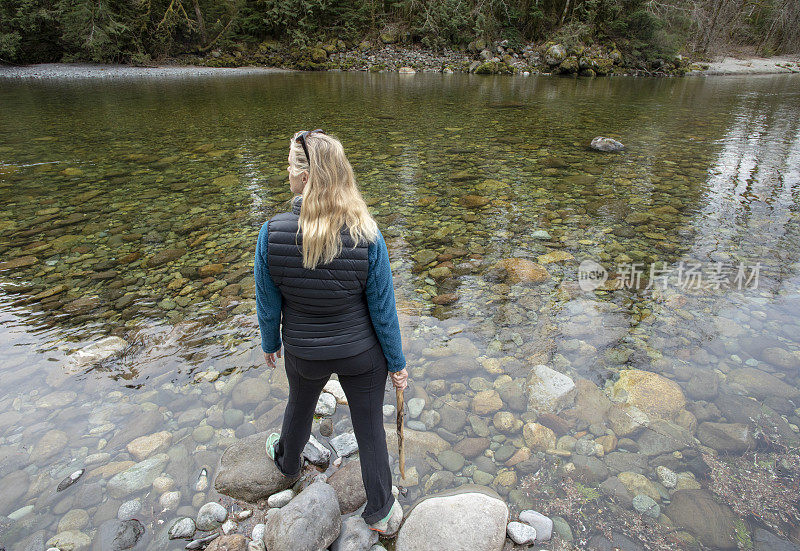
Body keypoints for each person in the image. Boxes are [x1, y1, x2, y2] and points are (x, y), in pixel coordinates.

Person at [254, 128, 408, 536]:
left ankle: (287, 463)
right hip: (362, 355)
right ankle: (382, 512)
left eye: (291, 166)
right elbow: (383, 309)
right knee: (370, 428)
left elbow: (269, 304)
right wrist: (397, 364)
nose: (287, 173)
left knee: (299, 406)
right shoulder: (366, 233)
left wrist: (270, 343)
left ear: (306, 178)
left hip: (304, 352)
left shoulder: (271, 234)